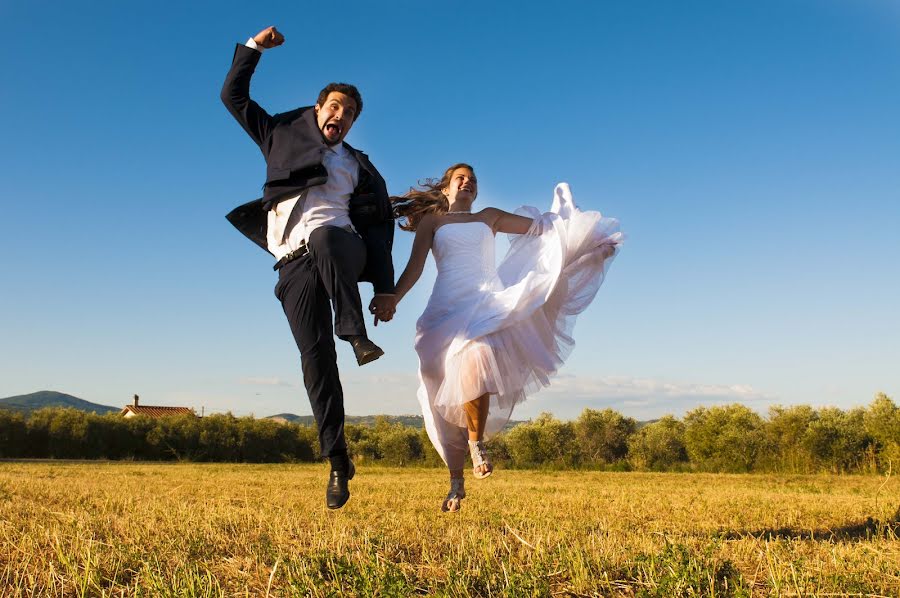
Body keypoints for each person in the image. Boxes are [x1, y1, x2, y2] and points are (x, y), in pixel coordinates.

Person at [220, 26, 397, 509]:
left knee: (325, 235)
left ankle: (355, 333)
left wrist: (386, 289)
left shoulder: (361, 166)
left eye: (352, 112)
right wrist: (254, 50)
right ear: (319, 109)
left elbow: (381, 229)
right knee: (315, 359)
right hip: (293, 264)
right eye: (336, 106)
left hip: (344, 248)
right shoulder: (279, 134)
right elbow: (232, 97)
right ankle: (338, 459)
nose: (343, 115)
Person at [384, 164, 621, 511]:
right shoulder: (434, 223)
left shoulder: (489, 218)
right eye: (460, 178)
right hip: (442, 314)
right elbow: (415, 267)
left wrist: (587, 244)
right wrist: (392, 297)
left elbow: (545, 232)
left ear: (476, 191)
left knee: (478, 359)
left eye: (473, 180)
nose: (467, 182)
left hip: (483, 304)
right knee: (437, 398)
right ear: (447, 188)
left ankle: (476, 444)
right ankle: (455, 482)